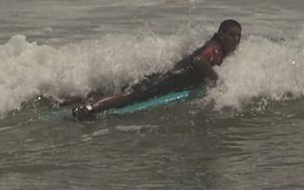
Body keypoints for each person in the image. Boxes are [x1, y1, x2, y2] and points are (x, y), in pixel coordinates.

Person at [72, 20, 242, 121]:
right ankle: (90, 109)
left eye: (238, 36)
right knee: (131, 95)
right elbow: (198, 61)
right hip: (170, 80)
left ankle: (84, 98)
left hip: (170, 77)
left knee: (128, 90)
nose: (235, 40)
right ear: (220, 33)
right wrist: (216, 79)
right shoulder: (215, 48)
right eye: (231, 35)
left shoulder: (216, 47)